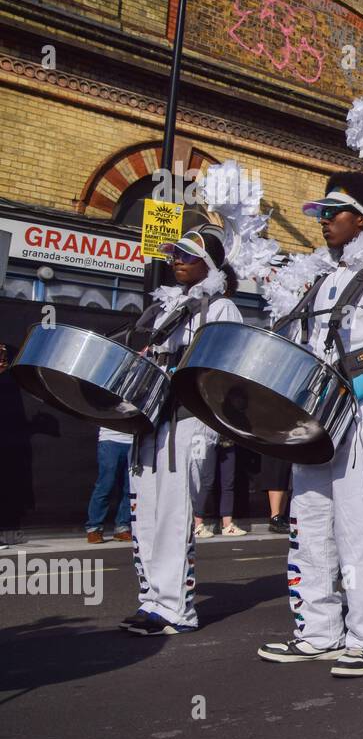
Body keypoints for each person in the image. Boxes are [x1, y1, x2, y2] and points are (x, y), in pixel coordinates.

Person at [257, 169, 363, 677]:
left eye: (335, 213)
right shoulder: (324, 279)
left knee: (358, 529)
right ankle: (318, 631)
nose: (325, 221)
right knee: (309, 526)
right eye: (324, 213)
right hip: (318, 417)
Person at [121, 226, 243, 635]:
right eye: (175, 254)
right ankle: (151, 601)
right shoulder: (162, 307)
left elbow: (227, 368)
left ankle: (176, 610)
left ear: (207, 264)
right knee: (146, 517)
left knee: (175, 516)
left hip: (188, 423)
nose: (176, 261)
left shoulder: (221, 308)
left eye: (187, 256)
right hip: (150, 420)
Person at [85, 426, 133, 544]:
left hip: (134, 441)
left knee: (130, 487)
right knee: (106, 485)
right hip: (110, 439)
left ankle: (122, 527)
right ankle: (94, 528)